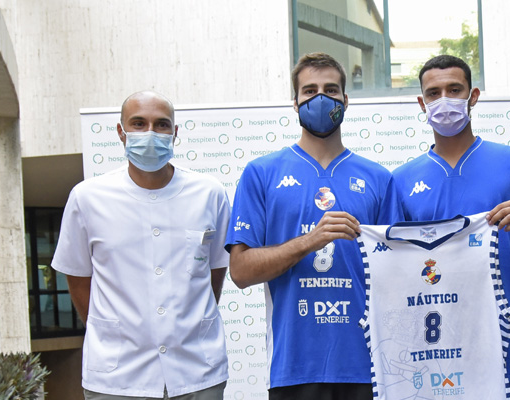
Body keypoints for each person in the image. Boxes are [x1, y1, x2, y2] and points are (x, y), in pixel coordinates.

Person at [389, 54, 510, 400]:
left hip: (504, 349)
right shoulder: (402, 180)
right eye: (434, 93)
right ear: (422, 103)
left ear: (474, 96)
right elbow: (393, 271)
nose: (444, 100)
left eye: (454, 90)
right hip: (431, 354)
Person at [225, 52, 393, 400]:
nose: (321, 98)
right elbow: (240, 272)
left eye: (330, 90)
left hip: (369, 365)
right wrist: (309, 240)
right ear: (295, 102)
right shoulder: (261, 173)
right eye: (309, 91)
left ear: (345, 100)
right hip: (294, 368)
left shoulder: (378, 178)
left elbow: (399, 272)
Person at [52, 91, 231, 399]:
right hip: (118, 376)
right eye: (138, 123)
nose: (150, 133)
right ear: (121, 132)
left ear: (175, 133)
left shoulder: (209, 193)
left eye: (161, 125)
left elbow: (215, 272)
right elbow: (79, 280)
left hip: (196, 372)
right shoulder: (87, 198)